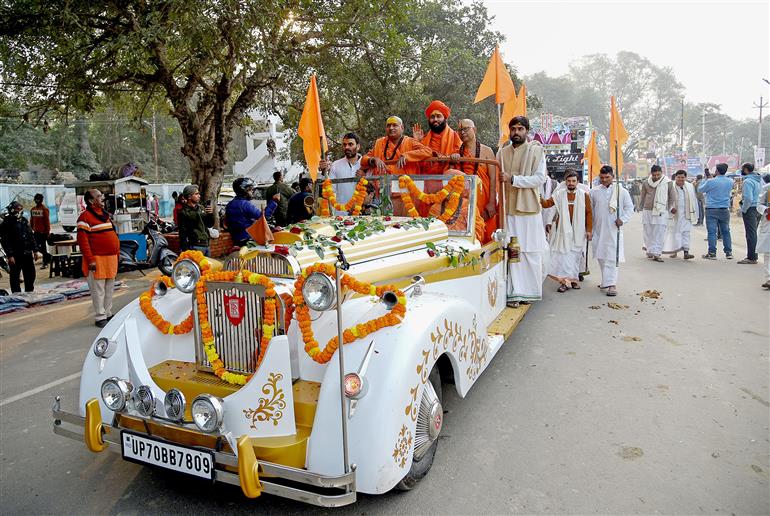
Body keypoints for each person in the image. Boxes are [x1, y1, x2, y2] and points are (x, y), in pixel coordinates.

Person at [497, 116, 548, 307]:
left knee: (531, 251)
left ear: (527, 131)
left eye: (520, 129)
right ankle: (515, 293)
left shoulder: (536, 151)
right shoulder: (502, 152)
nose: (516, 132)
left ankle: (531, 292)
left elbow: (539, 178)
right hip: (509, 210)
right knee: (513, 251)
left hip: (529, 209)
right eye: (513, 129)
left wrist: (513, 179)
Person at [540, 170, 592, 292]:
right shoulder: (559, 194)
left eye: (573, 181)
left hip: (578, 231)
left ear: (577, 182)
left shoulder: (584, 195)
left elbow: (589, 213)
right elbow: (547, 204)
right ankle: (564, 282)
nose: (571, 183)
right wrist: (538, 197)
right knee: (564, 256)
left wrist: (589, 230)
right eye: (568, 181)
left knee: (575, 256)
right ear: (565, 182)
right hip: (562, 231)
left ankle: (573, 280)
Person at [77, 189, 120, 327]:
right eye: (99, 196)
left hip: (111, 258)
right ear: (91, 201)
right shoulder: (84, 218)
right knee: (98, 290)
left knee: (109, 288)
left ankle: (108, 312)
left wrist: (117, 253)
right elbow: (83, 242)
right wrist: (90, 260)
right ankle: (100, 316)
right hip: (97, 259)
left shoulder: (105, 215)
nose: (102, 197)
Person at [590, 166, 634, 297]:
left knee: (611, 256)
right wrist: (589, 228)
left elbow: (629, 208)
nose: (604, 180)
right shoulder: (594, 191)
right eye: (602, 178)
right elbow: (590, 210)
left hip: (614, 228)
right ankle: (606, 280)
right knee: (601, 255)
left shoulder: (621, 191)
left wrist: (623, 219)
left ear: (613, 177)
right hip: (598, 228)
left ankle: (612, 284)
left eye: (607, 177)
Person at [452, 118, 498, 243]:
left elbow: (494, 179)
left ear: (474, 129)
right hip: (465, 202)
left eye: (466, 129)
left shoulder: (487, 151)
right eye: (460, 130)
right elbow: (451, 178)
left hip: (484, 201)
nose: (463, 132)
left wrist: (492, 203)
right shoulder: (456, 153)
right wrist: (453, 160)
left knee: (487, 233)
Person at [358, 116, 433, 176]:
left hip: (407, 187)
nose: (391, 128)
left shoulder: (410, 142)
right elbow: (363, 159)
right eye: (388, 126)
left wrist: (407, 155)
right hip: (384, 188)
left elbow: (428, 151)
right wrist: (374, 159)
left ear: (402, 128)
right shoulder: (379, 143)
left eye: (395, 125)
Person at [225, 177, 278, 247]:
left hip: (236, 239)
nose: (252, 192)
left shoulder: (230, 204)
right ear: (244, 190)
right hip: (248, 238)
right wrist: (274, 201)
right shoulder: (245, 204)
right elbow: (263, 216)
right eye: (251, 190)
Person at [0, 201, 39, 293]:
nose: (20, 211)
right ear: (12, 210)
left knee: (30, 274)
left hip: (27, 253)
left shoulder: (24, 221)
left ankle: (29, 291)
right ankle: (16, 294)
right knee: (15, 276)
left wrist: (35, 250)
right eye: (18, 209)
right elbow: (5, 241)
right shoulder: (6, 223)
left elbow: (30, 235)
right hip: (15, 255)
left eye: (21, 209)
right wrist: (10, 255)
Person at [639, 165, 675, 262]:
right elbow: (643, 195)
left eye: (658, 175)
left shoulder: (668, 182)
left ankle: (657, 253)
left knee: (659, 232)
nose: (656, 177)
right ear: (651, 174)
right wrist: (640, 206)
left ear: (661, 173)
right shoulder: (646, 182)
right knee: (648, 232)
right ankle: (650, 250)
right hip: (647, 210)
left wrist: (671, 207)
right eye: (654, 175)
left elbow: (672, 197)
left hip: (661, 210)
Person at [320, 132, 362, 216]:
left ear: (358, 146)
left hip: (363, 213)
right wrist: (324, 172)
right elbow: (330, 190)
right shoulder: (336, 165)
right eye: (344, 145)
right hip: (341, 215)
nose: (347, 147)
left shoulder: (365, 163)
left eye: (350, 144)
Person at [699, 163, 734, 259]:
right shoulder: (730, 181)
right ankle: (729, 253)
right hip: (724, 209)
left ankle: (712, 253)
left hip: (711, 209)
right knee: (726, 231)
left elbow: (700, 189)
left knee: (712, 232)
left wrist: (705, 178)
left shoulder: (711, 181)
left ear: (717, 171)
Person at [662, 170, 697, 259]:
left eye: (682, 177)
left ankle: (686, 252)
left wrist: (695, 212)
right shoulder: (671, 186)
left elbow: (693, 200)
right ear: (675, 177)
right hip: (674, 214)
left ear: (685, 178)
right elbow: (666, 199)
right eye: (678, 177)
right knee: (674, 233)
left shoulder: (689, 186)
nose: (680, 179)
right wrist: (670, 208)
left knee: (686, 232)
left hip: (687, 213)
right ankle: (674, 251)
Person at [177, 184, 214, 255]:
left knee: (207, 266)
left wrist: (210, 214)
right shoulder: (183, 212)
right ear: (189, 197)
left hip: (206, 244)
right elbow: (182, 232)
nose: (199, 196)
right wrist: (185, 250)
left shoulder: (201, 208)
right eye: (196, 194)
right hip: (194, 246)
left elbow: (209, 224)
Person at [738, 162, 762, 264]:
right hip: (758, 208)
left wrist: (743, 209)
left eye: (742, 169)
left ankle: (751, 257)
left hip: (750, 209)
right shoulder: (758, 180)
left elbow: (748, 198)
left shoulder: (748, 181)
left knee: (750, 234)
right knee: (753, 233)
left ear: (746, 169)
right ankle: (753, 255)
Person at [30, 193, 51, 268]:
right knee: (36, 247)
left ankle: (45, 263)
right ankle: (49, 257)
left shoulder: (44, 209)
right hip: (36, 232)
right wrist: (32, 228)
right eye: (36, 199)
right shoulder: (33, 209)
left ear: (41, 200)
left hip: (43, 232)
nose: (37, 200)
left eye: (38, 199)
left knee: (43, 247)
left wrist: (47, 232)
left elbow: (47, 221)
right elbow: (32, 220)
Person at [757, 174, 770, 288]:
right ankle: (769, 279)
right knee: (768, 253)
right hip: (768, 222)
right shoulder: (767, 188)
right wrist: (766, 209)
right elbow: (759, 205)